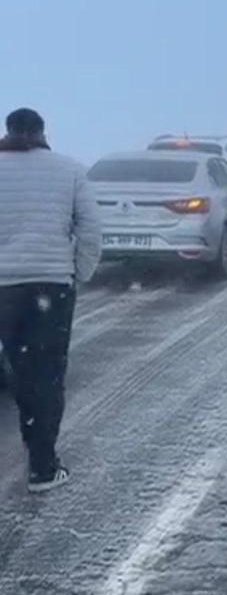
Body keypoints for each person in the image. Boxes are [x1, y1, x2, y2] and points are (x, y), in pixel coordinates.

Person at [0, 108, 101, 492]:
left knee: (18, 367)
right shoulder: (69, 170)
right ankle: (42, 467)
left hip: (3, 288)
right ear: (42, 132)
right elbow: (91, 228)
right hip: (50, 286)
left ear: (8, 130)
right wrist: (80, 272)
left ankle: (31, 433)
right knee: (47, 373)